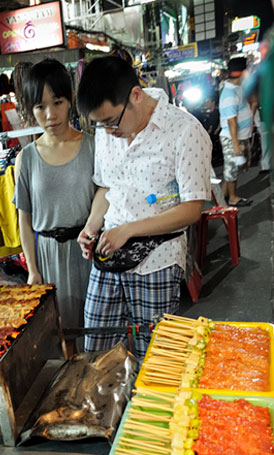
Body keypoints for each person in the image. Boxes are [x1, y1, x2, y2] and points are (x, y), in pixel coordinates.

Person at [76, 56, 212, 359]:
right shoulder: (107, 132)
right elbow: (107, 187)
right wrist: (92, 225)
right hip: (110, 251)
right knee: (96, 348)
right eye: (101, 125)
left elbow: (192, 209)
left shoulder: (185, 132)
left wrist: (129, 230)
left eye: (112, 122)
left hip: (158, 260)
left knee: (152, 356)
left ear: (136, 95)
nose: (108, 132)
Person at [13, 58, 96, 355]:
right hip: (48, 257)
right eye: (40, 107)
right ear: (30, 110)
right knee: (62, 337)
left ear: (70, 100)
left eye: (57, 102)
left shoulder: (93, 146)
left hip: (89, 251)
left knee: (96, 330)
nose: (50, 114)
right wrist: (32, 269)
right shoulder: (26, 158)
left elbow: (106, 197)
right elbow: (25, 219)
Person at [218, 57, 254, 206]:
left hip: (237, 136)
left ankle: (223, 196)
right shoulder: (229, 94)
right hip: (232, 137)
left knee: (232, 169)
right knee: (231, 168)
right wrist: (236, 146)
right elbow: (231, 122)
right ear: (243, 72)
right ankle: (232, 198)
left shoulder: (237, 88)